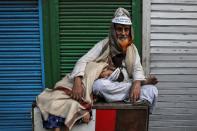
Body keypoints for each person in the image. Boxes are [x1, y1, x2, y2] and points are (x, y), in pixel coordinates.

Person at [36, 7, 158, 131]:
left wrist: (137, 83)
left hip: (124, 87)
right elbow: (83, 60)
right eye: (119, 29)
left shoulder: (132, 49)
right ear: (113, 30)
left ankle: (135, 88)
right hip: (108, 86)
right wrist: (78, 81)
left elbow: (137, 69)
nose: (123, 33)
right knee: (99, 85)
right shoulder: (104, 45)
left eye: (126, 29)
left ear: (130, 31)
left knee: (152, 90)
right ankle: (134, 89)